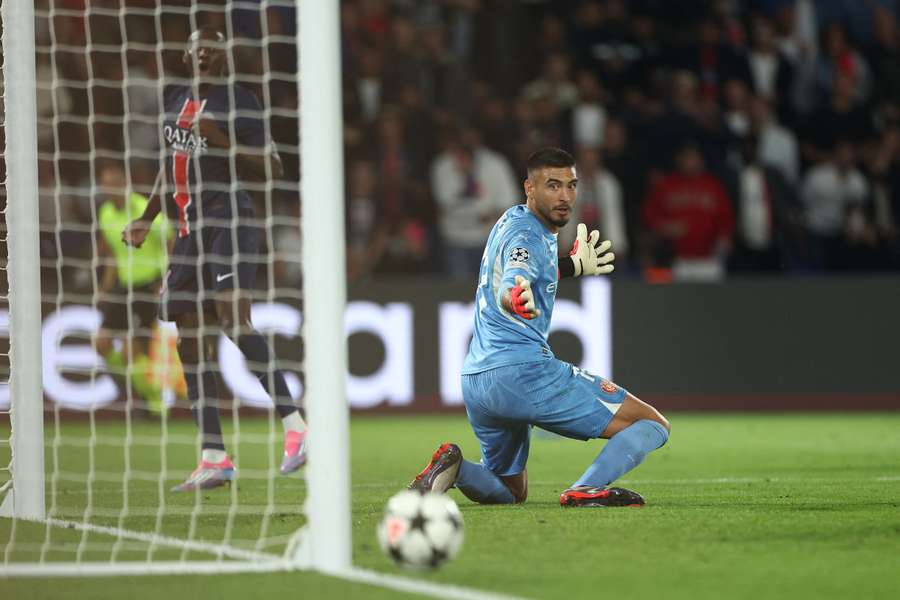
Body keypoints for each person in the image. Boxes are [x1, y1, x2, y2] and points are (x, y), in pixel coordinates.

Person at [409, 148, 670, 508]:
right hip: (524, 374)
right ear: (529, 188)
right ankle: (587, 488)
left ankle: (455, 468)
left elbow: (529, 268)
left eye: (571, 185)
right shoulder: (528, 237)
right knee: (653, 424)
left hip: (478, 380)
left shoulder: (512, 219)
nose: (564, 196)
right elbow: (516, 274)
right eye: (552, 185)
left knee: (511, 491)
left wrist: (571, 266)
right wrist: (514, 295)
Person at [122, 27, 307, 491]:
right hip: (186, 234)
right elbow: (172, 167)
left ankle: (297, 427)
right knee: (188, 335)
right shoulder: (174, 100)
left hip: (228, 221)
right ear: (187, 56)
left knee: (233, 319)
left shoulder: (240, 102)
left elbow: (273, 167)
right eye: (198, 48)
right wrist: (146, 218)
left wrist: (222, 139)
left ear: (225, 58)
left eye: (214, 49)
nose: (205, 54)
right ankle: (214, 455)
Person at [94, 161, 168, 414]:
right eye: (105, 184)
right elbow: (113, 255)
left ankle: (155, 402)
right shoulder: (105, 213)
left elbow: (170, 241)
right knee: (101, 343)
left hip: (148, 286)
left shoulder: (144, 209)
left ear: (125, 183)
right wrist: (105, 287)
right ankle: (145, 389)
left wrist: (166, 277)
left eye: (114, 183)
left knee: (130, 351)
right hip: (122, 287)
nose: (110, 189)